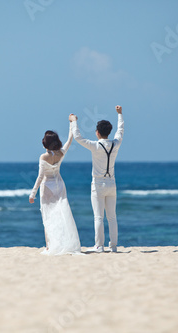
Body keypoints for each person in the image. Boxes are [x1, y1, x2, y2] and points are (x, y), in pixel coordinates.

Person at [69, 105, 124, 253]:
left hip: (98, 184)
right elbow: (120, 131)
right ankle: (113, 246)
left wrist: (73, 121)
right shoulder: (116, 144)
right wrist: (120, 114)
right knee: (112, 217)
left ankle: (99, 246)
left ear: (97, 132)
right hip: (112, 184)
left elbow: (78, 137)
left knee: (98, 217)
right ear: (108, 132)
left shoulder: (95, 146)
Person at [29, 123, 82, 255]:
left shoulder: (43, 157)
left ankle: (49, 245)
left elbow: (40, 177)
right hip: (59, 185)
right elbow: (70, 140)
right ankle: (64, 242)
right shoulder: (60, 154)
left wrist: (32, 193)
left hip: (47, 187)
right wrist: (72, 125)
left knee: (47, 216)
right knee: (62, 213)